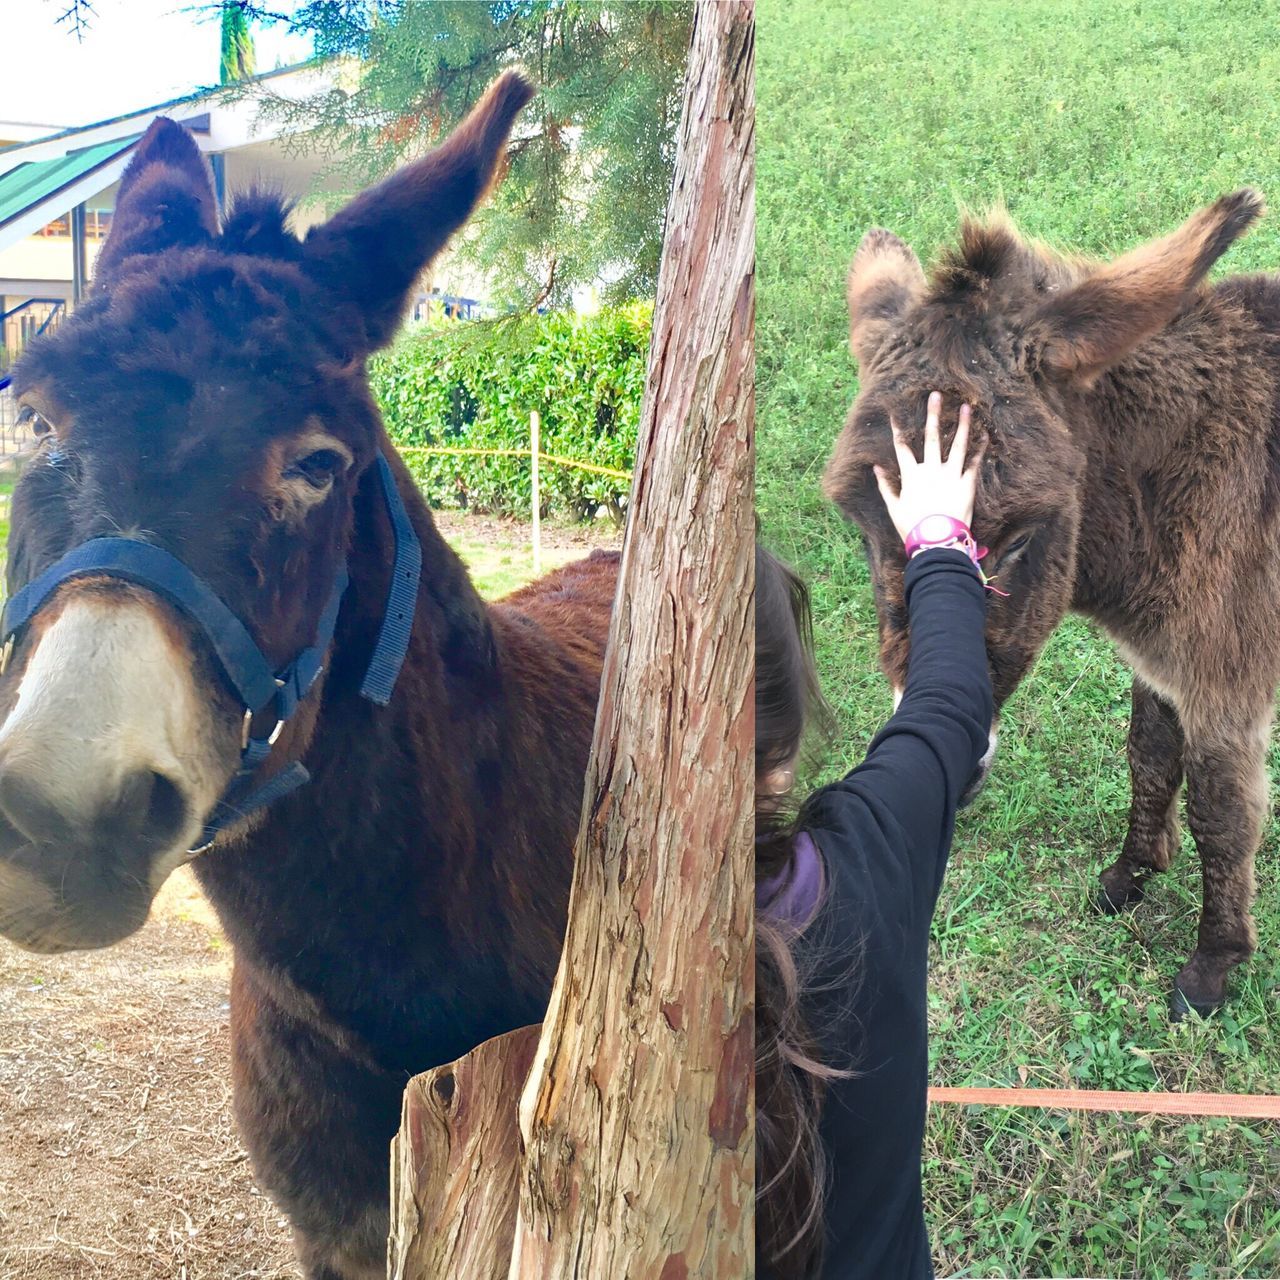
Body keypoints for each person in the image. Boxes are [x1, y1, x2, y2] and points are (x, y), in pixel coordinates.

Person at [756, 393, 993, 1279]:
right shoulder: (869, 863)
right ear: (781, 756)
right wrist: (937, 536)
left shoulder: (552, 944)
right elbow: (947, 705)